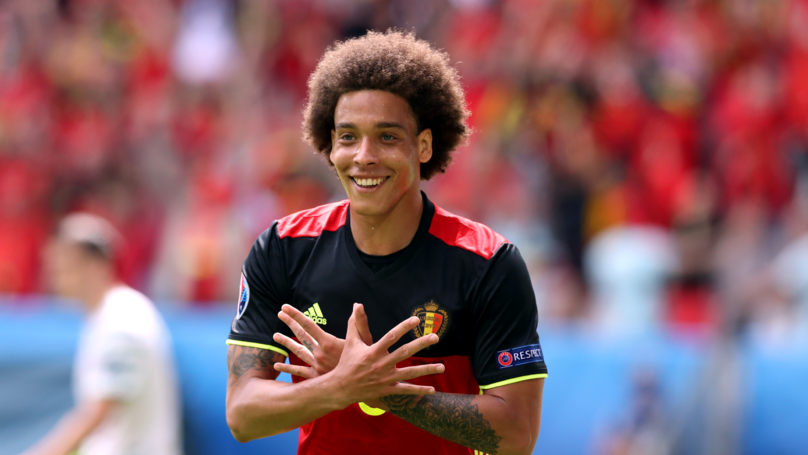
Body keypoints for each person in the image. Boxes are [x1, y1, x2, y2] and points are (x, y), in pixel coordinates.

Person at [225, 30, 547, 455]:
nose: (364, 156)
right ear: (330, 145)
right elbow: (242, 413)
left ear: (424, 145)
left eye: (387, 137)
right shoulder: (283, 248)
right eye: (348, 136)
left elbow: (517, 434)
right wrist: (341, 385)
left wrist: (380, 390)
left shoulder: (487, 264)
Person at [22, 213, 182, 455]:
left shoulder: (122, 319)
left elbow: (97, 412)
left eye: (63, 266)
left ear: (94, 265)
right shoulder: (108, 315)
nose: (54, 277)